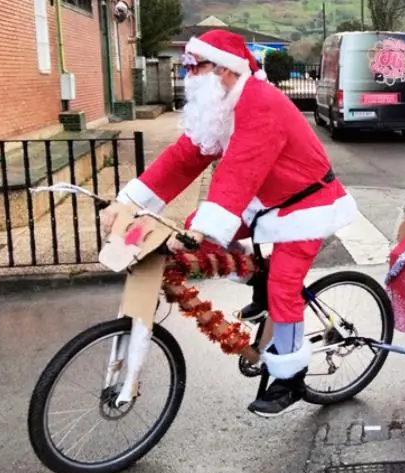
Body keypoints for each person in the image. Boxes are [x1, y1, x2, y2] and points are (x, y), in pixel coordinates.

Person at [102, 29, 357, 417]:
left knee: (283, 284)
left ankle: (290, 377)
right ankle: (258, 278)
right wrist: (127, 203)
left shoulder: (260, 101)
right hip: (265, 199)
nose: (188, 75)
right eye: (186, 67)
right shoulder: (220, 107)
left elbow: (238, 172)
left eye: (195, 66)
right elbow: (183, 159)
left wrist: (203, 228)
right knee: (198, 233)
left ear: (225, 69)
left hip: (306, 204)